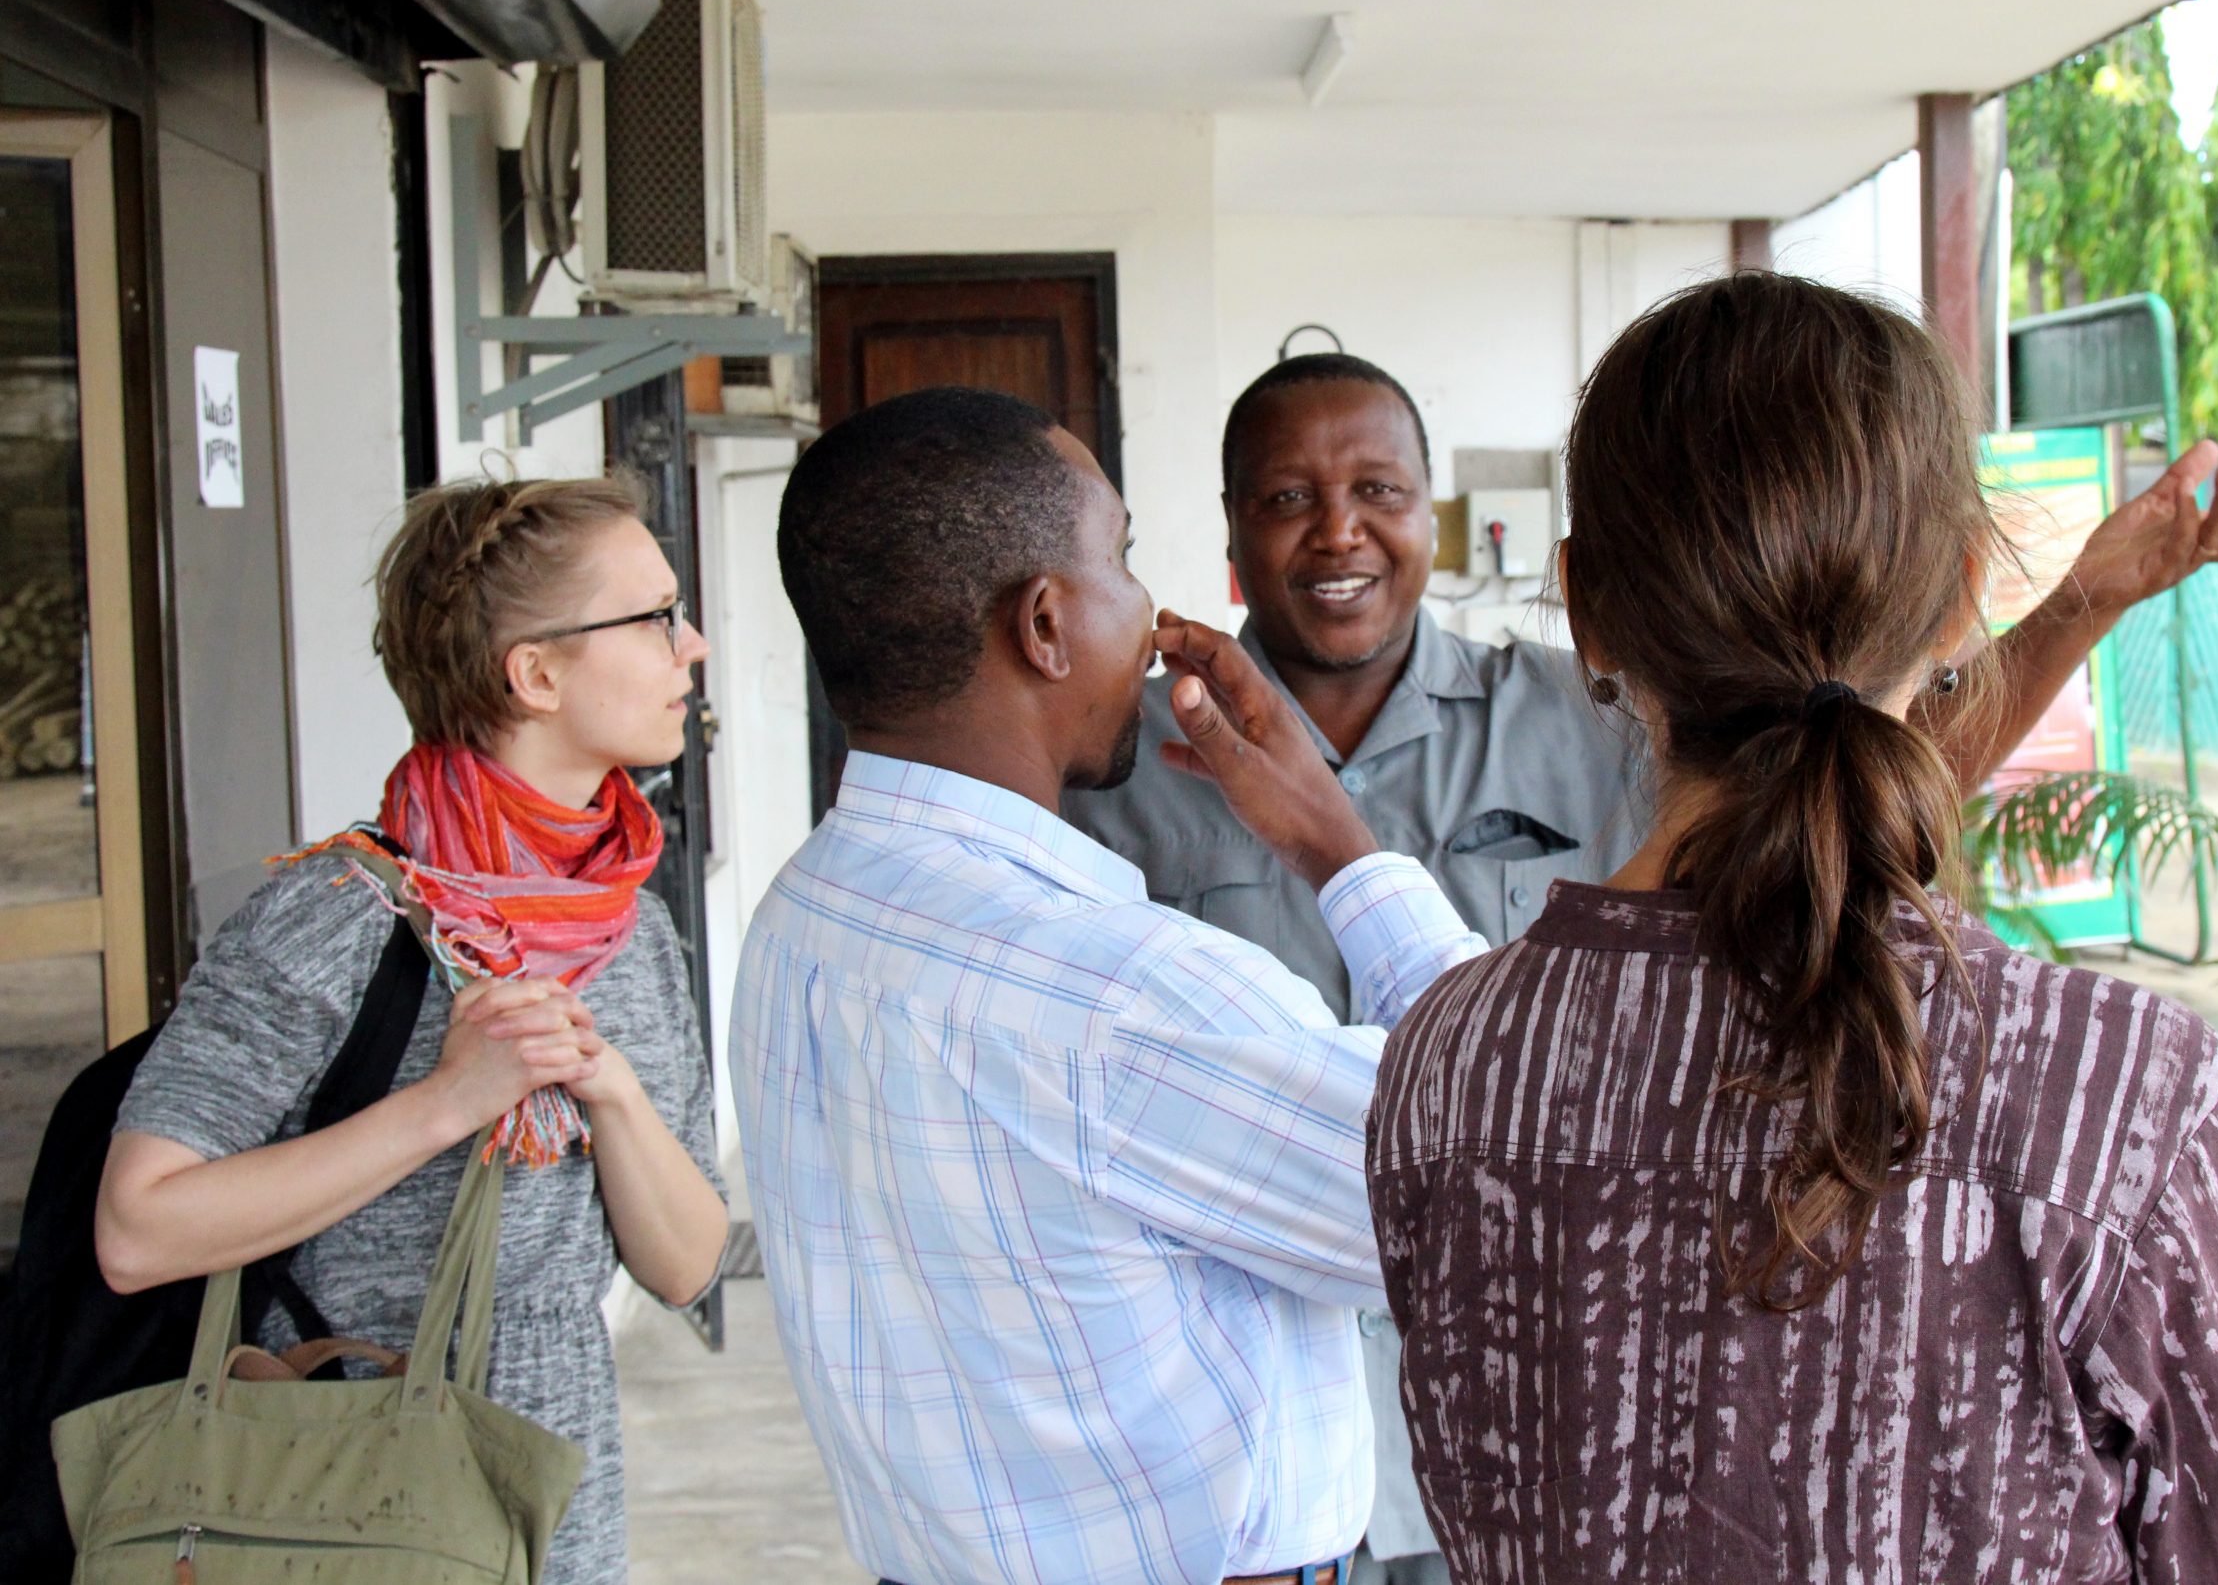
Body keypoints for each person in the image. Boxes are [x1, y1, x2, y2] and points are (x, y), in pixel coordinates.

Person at [1065, 346, 2218, 1584]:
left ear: (1586, 608)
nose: (1337, 532)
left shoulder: (1542, 796)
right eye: (1288, 497)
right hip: (1276, 1466)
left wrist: (2080, 606)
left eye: (1378, 490)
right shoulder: (2135, 1093)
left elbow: (1837, 777)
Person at [730, 386, 1486, 1585]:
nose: (1146, 611)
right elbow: (1498, 1177)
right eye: (1122, 560)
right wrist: (1345, 855)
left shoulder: (800, 919)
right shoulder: (1124, 996)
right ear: (1042, 624)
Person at [95, 474, 730, 1585]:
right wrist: (446, 1104)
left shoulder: (627, 927)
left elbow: (684, 1268)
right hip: (327, 1503)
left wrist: (612, 1091)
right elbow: (138, 1232)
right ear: (533, 674)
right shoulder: (337, 915)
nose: (697, 646)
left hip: (558, 1512)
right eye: (656, 617)